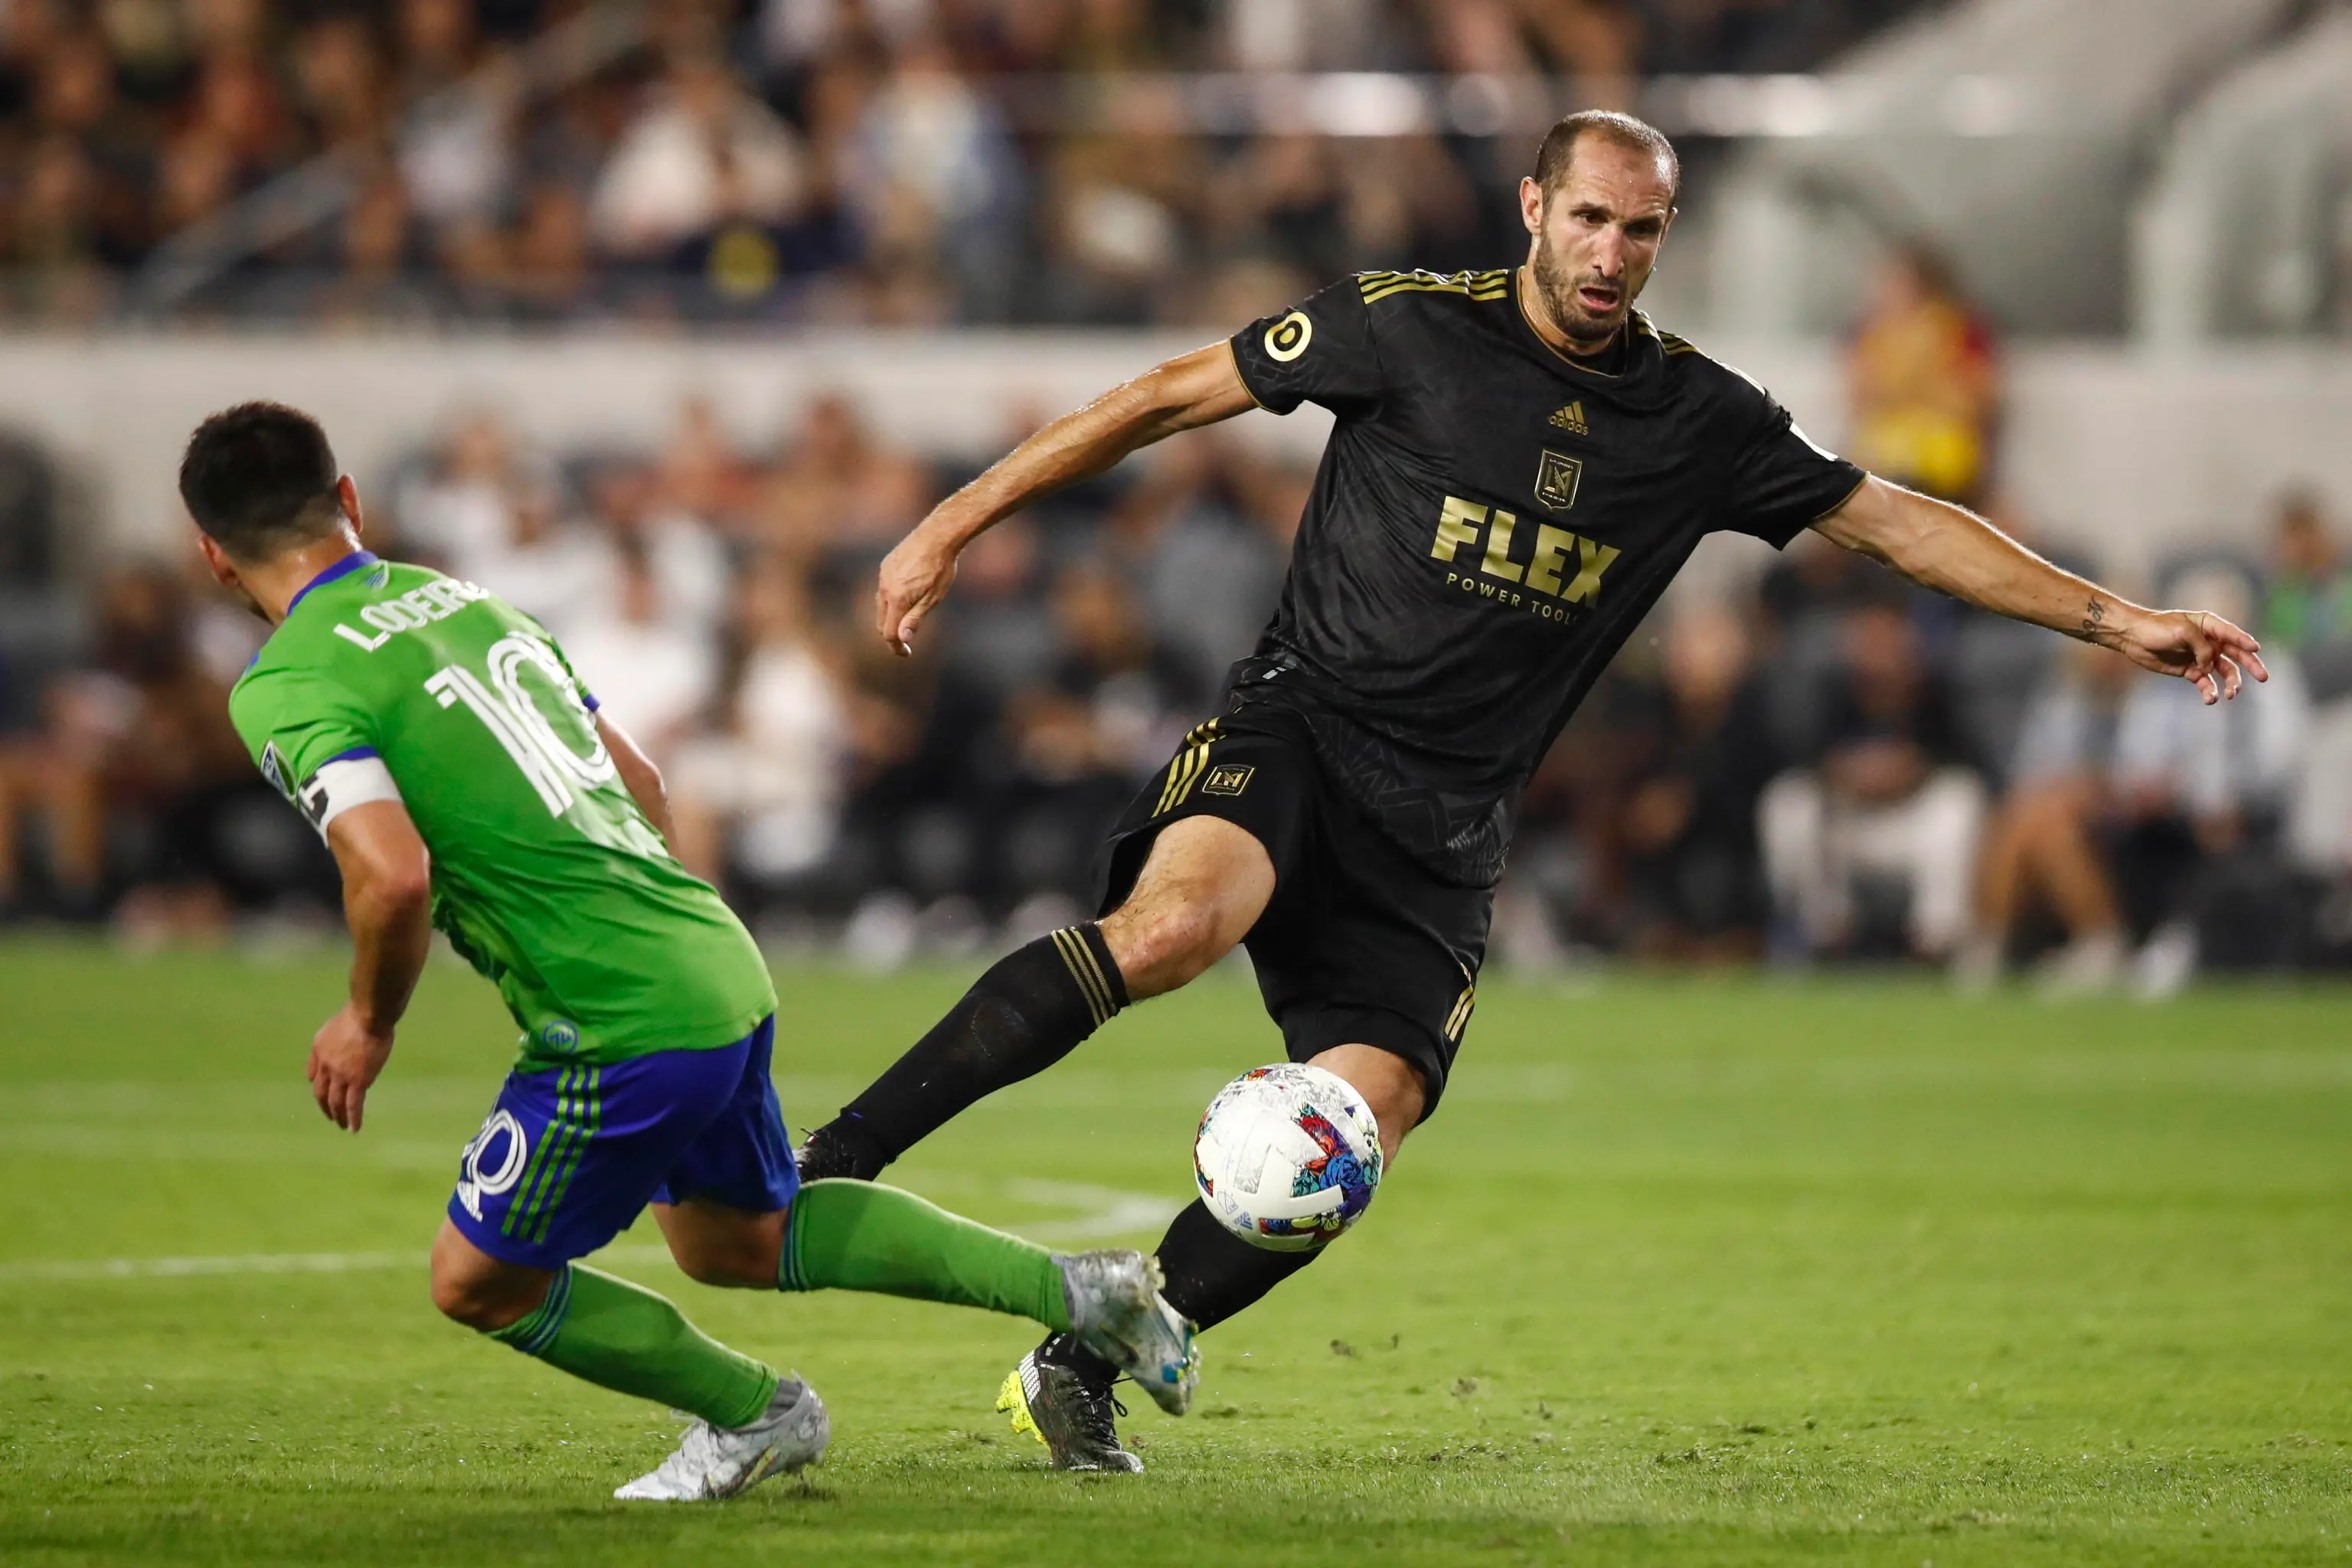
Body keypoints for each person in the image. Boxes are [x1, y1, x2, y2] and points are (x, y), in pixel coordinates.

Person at [792, 110, 2266, 1472]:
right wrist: (950, 522)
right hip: (1305, 729)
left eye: (1643, 231)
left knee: (1350, 1136)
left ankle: (1083, 1364)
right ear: (1533, 209)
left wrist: (2116, 619)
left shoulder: (1699, 420)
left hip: (1445, 829)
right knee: (1174, 927)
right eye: (1590, 220)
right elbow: (1173, 396)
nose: (1613, 255)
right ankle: (832, 1157)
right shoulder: (1411, 328)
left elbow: (1895, 525)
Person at [177, 403, 1195, 1502]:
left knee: (476, 1281)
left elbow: (391, 875)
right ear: (350, 504)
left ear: (211, 555)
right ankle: (1083, 1293)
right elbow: (645, 786)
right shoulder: (471, 605)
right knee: (738, 1239)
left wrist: (367, 1021)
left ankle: (759, 1415)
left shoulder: (285, 682)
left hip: (619, 1016)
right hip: (712, 955)